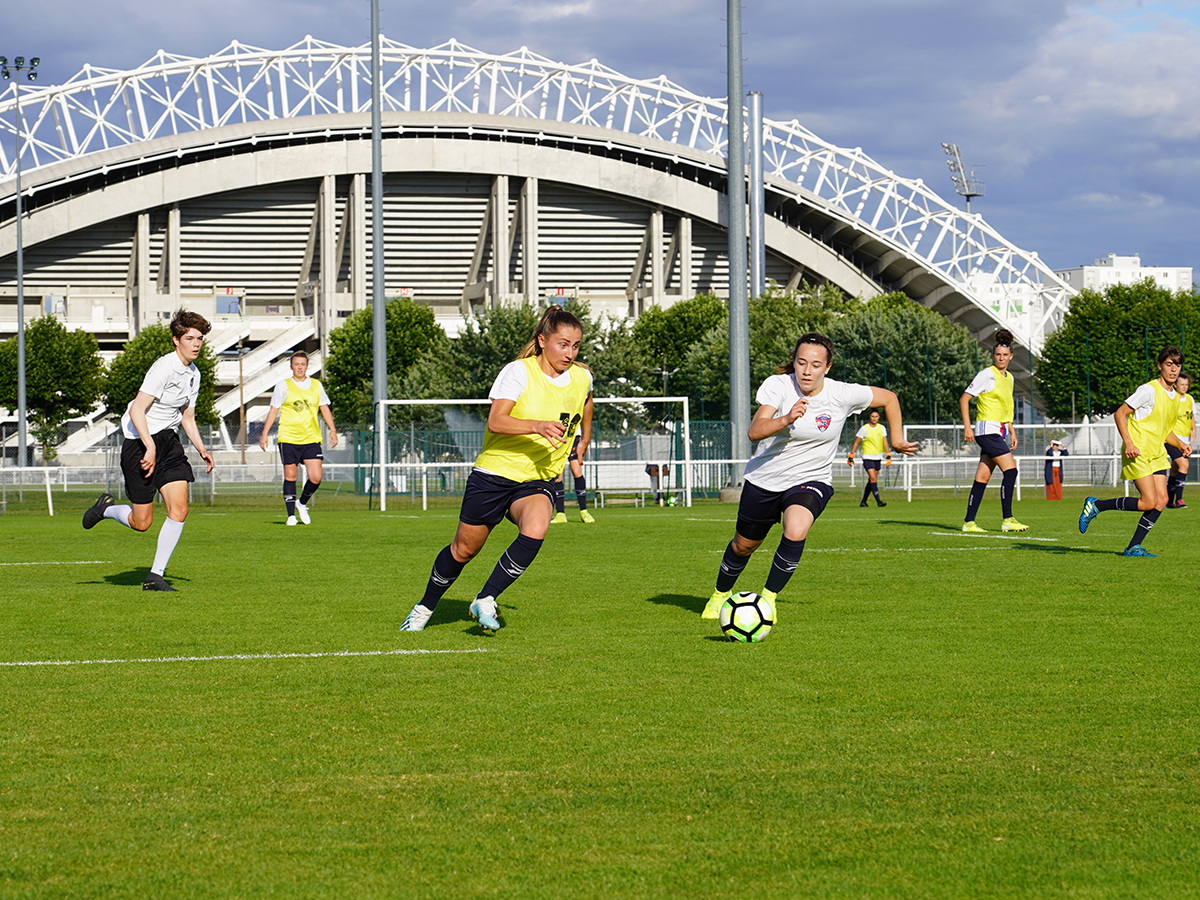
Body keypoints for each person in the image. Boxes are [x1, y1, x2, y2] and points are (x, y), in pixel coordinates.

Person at [400, 305, 594, 632]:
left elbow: (587, 399)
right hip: (495, 474)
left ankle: (486, 597)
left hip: (536, 478)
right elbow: (496, 420)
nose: (570, 352)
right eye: (563, 344)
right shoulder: (518, 372)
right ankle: (425, 606)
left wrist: (584, 438)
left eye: (575, 345)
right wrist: (538, 425)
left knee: (537, 528)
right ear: (542, 340)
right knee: (464, 549)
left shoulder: (582, 376)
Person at [701, 332, 917, 619]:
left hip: (811, 479)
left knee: (796, 528)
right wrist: (787, 418)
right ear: (794, 362)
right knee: (744, 546)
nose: (807, 370)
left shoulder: (842, 393)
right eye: (801, 362)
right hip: (765, 480)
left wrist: (898, 438)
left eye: (815, 365)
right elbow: (755, 431)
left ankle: (768, 601)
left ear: (827, 368)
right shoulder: (779, 385)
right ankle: (720, 594)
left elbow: (889, 398)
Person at [82, 309, 216, 591]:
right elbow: (137, 410)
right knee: (141, 522)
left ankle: (155, 576)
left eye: (200, 339)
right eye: (190, 338)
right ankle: (105, 510)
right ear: (176, 340)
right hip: (139, 443)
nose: (196, 344)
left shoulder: (194, 374)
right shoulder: (163, 368)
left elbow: (187, 417)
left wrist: (202, 448)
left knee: (179, 509)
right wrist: (149, 446)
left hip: (168, 443)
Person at [1079, 346, 1190, 557]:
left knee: (1163, 500)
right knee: (1148, 501)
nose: (1174, 369)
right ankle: (1097, 505)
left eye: (1177, 364)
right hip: (1137, 451)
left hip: (1157, 453)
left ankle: (1133, 547)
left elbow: (1166, 431)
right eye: (1169, 364)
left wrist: (1180, 444)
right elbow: (1120, 414)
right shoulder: (1148, 390)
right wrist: (1129, 442)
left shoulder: (1175, 397)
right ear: (1159, 366)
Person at [959, 329, 1029, 533]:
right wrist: (967, 427)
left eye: (1005, 355)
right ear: (993, 356)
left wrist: (1011, 429)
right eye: (998, 354)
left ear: (1011, 356)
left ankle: (969, 522)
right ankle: (1008, 519)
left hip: (999, 431)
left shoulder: (1010, 378)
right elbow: (964, 399)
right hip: (985, 430)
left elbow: (1006, 406)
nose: (1001, 358)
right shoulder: (987, 374)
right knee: (1011, 470)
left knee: (983, 477)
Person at [258, 350, 338, 525]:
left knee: (316, 477)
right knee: (291, 475)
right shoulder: (283, 385)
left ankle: (301, 503)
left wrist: (332, 429)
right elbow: (273, 410)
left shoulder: (317, 385)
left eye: (303, 364)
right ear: (291, 367)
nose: (300, 367)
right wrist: (264, 434)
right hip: (289, 437)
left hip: (311, 438)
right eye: (296, 364)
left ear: (307, 366)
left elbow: (324, 408)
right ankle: (291, 516)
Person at [848, 408, 891, 507]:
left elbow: (885, 441)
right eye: (872, 416)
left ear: (879, 417)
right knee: (873, 477)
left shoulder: (882, 428)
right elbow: (856, 442)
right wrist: (851, 454)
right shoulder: (864, 428)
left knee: (872, 480)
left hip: (878, 456)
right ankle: (879, 501)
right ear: (870, 417)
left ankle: (863, 501)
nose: (874, 418)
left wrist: (888, 454)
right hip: (867, 456)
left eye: (876, 417)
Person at [551, 433, 595, 524]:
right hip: (558, 436)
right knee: (558, 474)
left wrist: (584, 439)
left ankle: (584, 511)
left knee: (576, 471)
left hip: (573, 436)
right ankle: (560, 514)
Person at [1166, 371, 1194, 508]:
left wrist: (1193, 431)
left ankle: (1169, 501)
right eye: (1181, 384)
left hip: (1185, 439)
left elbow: (1191, 416)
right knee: (1184, 466)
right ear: (1176, 385)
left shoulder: (1189, 399)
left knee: (1175, 469)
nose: (1184, 387)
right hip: (1172, 439)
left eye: (1186, 384)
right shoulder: (1172, 398)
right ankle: (1180, 499)